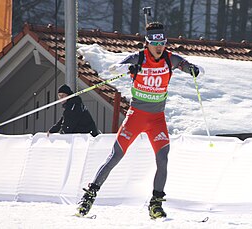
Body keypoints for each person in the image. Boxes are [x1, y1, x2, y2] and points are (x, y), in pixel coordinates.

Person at [76, 22, 200, 219]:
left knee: (163, 158)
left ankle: (156, 204)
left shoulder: (170, 59)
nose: (159, 47)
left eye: (162, 43)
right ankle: (89, 196)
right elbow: (116, 67)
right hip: (136, 117)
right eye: (154, 43)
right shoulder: (139, 57)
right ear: (147, 43)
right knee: (116, 156)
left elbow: (185, 65)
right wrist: (126, 68)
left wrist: (192, 69)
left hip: (157, 119)